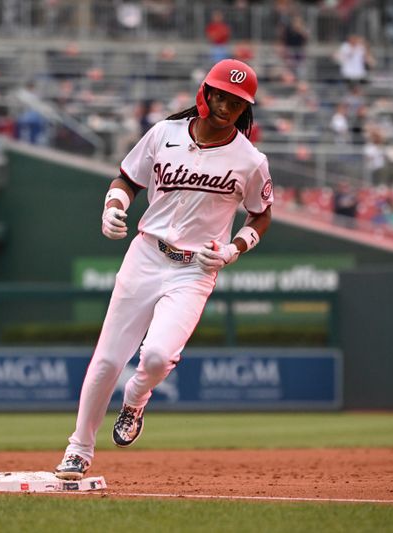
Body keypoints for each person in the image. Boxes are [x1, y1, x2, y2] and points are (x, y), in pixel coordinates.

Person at [54, 59, 273, 480]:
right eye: (221, 94)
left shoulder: (250, 160)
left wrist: (235, 248)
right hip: (146, 253)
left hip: (195, 268)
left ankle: (136, 399)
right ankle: (79, 449)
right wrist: (112, 207)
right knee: (107, 359)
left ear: (246, 108)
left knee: (155, 357)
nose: (227, 105)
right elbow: (126, 180)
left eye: (237, 101)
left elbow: (260, 214)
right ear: (205, 92)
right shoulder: (164, 133)